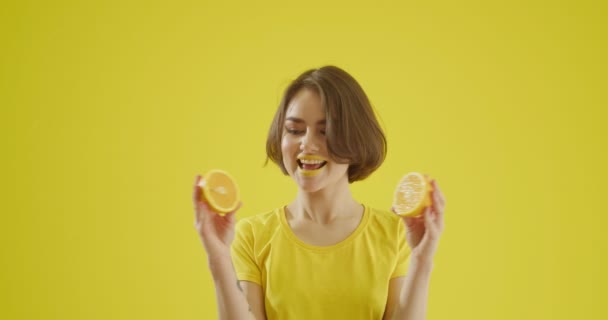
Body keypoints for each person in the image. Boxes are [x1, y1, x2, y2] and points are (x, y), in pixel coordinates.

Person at [192, 66, 446, 320]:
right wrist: (218, 258)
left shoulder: (394, 234)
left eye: (324, 131)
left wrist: (422, 260)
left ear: (355, 139)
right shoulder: (252, 236)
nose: (306, 143)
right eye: (294, 130)